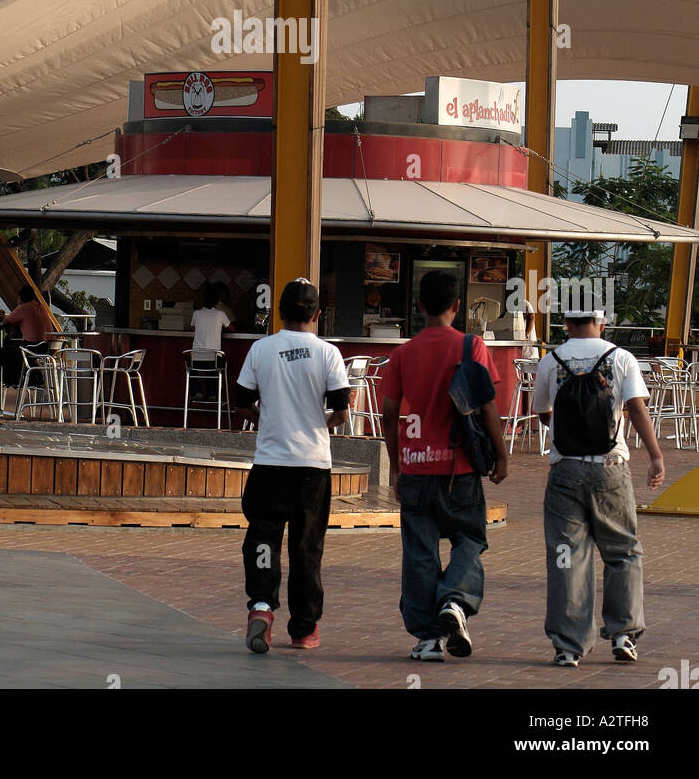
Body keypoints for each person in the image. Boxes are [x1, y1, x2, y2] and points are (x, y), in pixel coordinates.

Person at [381, 269, 508, 663]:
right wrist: (501, 455)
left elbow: (388, 416)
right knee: (470, 539)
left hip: (416, 467)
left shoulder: (402, 355)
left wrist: (397, 466)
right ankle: (455, 601)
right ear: (457, 307)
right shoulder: (473, 347)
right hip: (461, 468)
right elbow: (487, 406)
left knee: (419, 551)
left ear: (418, 306)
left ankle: (427, 638)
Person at [532, 308, 664, 667]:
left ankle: (568, 646)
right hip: (611, 469)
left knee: (566, 557)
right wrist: (655, 456)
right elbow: (636, 408)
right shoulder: (621, 358)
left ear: (567, 324)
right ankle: (623, 633)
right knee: (622, 551)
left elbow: (543, 413)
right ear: (602, 322)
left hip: (565, 471)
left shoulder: (551, 359)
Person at [235, 278, 350, 653]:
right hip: (312, 467)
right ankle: (303, 628)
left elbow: (241, 402)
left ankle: (262, 606)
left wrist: (266, 419)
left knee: (264, 537)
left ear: (280, 313)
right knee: (306, 547)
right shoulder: (328, 354)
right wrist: (321, 424)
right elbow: (341, 412)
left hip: (269, 464)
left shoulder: (260, 349)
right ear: (318, 315)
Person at [0, 284, 54, 387]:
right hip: (49, 346)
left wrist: (4, 315)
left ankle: (12, 380)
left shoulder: (24, 307)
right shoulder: (41, 307)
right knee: (19, 351)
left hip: (33, 346)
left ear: (21, 297)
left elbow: (7, 321)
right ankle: (35, 377)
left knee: (2, 352)